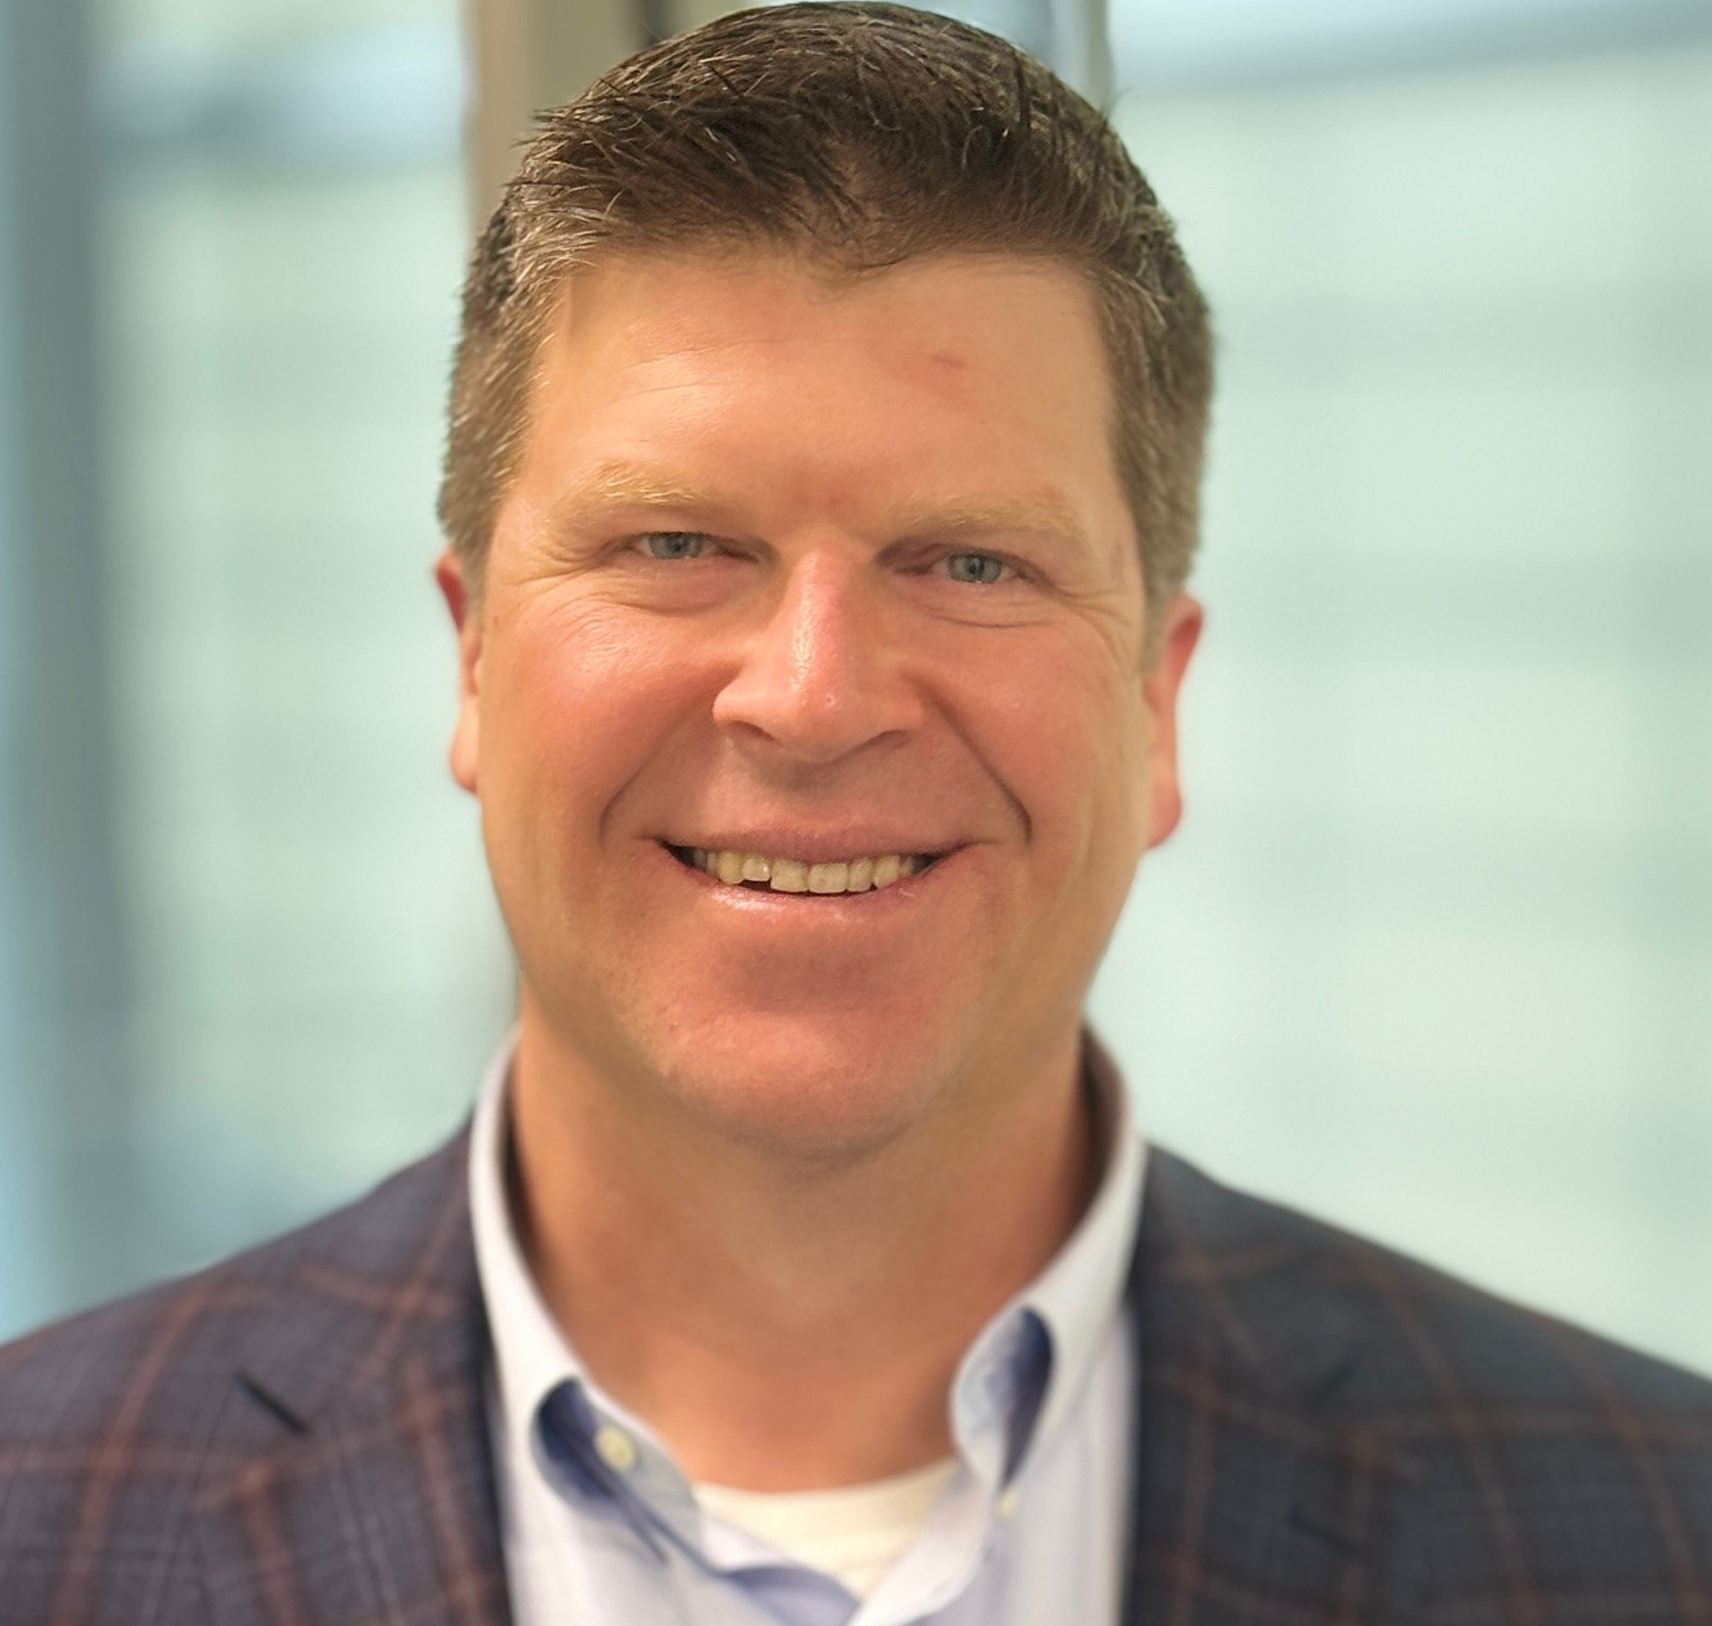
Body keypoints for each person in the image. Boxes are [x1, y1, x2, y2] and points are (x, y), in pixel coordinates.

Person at [2, 3, 1709, 1620]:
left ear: (1155, 703)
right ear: (471, 661)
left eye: (972, 562)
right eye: (677, 544)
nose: (813, 698)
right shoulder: (38, 1518)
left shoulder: (1654, 1530)